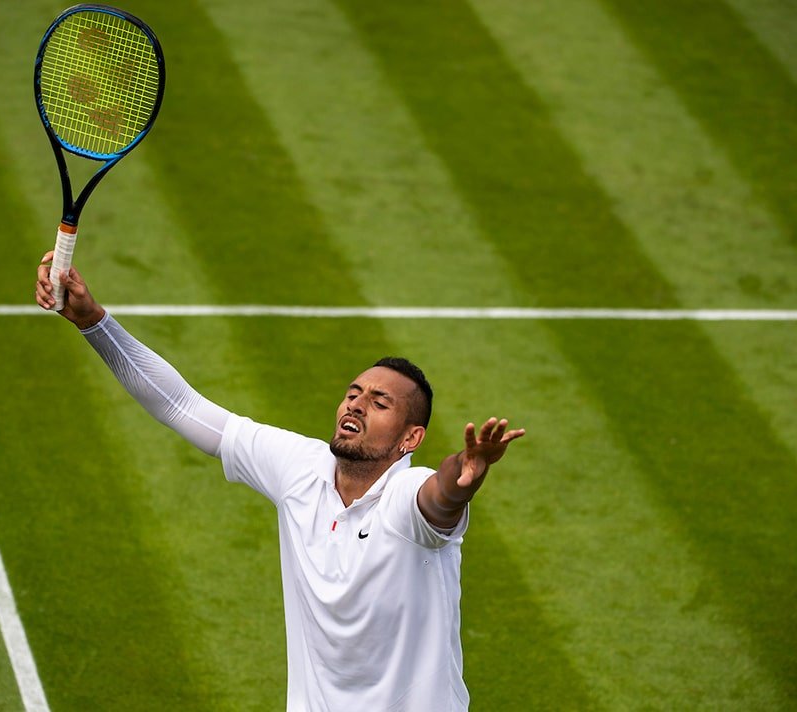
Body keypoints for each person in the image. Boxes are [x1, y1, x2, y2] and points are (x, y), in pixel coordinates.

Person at [35, 255, 525, 711]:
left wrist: (465, 477)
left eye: (380, 403)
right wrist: (94, 323)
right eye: (353, 394)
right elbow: (183, 407)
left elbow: (438, 498)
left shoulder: (404, 496)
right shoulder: (299, 468)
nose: (355, 404)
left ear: (410, 438)